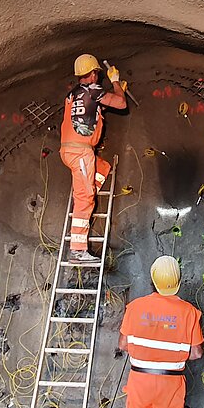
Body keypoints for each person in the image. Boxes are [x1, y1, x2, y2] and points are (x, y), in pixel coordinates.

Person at [119, 255, 204, 408]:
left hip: (139, 378)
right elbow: (197, 353)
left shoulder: (134, 307)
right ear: (178, 282)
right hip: (170, 382)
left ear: (153, 280)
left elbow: (123, 344)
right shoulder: (189, 312)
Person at [60, 53, 127, 263]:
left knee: (103, 167)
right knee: (84, 199)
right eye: (97, 73)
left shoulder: (72, 95)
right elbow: (121, 104)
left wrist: (113, 95)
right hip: (80, 152)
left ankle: (89, 189)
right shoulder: (93, 89)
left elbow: (93, 110)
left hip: (73, 151)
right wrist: (116, 83)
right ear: (94, 74)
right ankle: (78, 250)